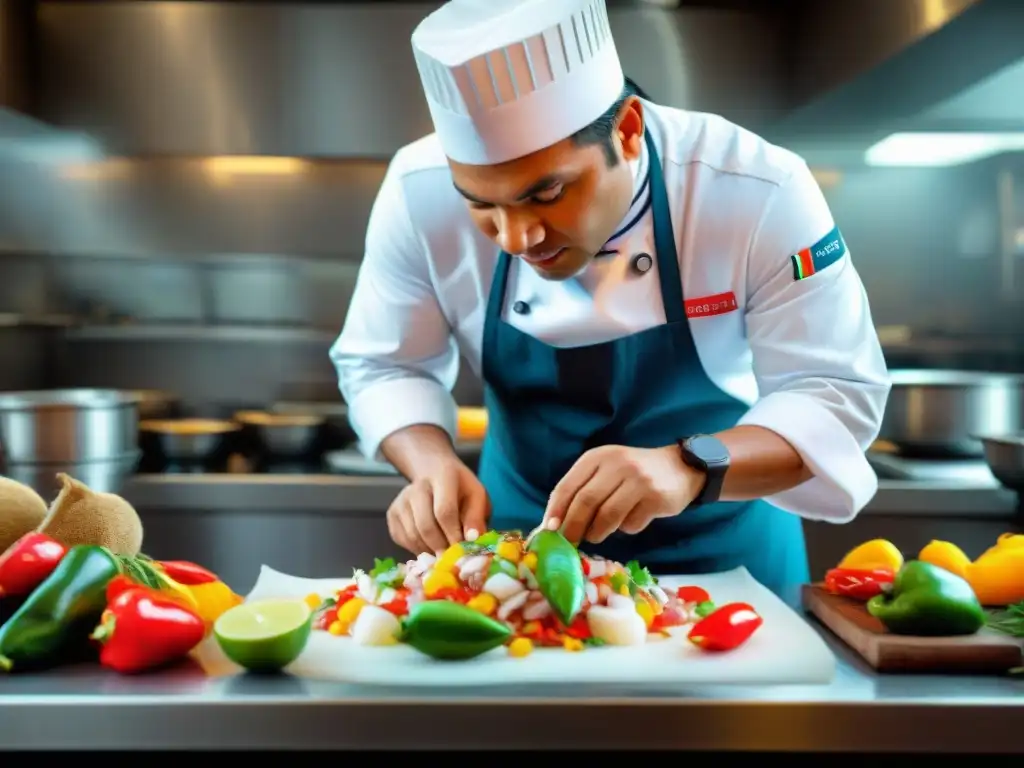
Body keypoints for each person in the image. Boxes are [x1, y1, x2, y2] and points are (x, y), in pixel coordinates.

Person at [330, 0, 891, 595]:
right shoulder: (417, 190)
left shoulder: (756, 190)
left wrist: (687, 465)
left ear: (626, 131)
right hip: (520, 569)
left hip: (729, 565)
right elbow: (385, 364)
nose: (517, 238)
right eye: (481, 204)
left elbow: (833, 396)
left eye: (547, 194)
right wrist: (431, 467)